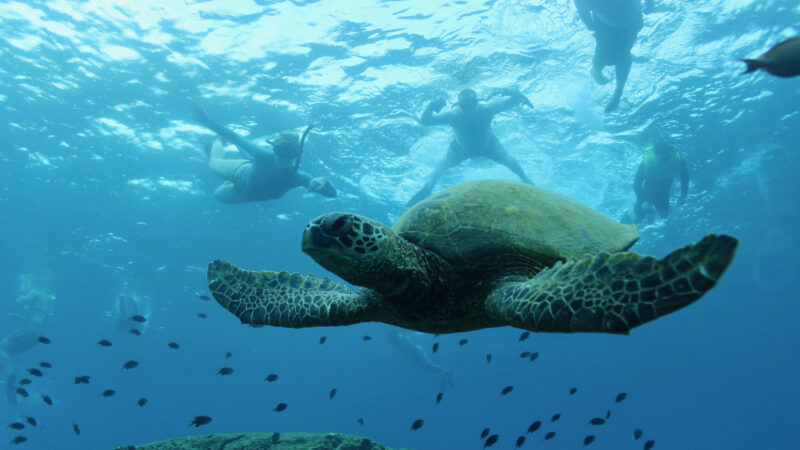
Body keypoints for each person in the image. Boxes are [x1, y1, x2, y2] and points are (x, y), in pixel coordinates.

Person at [191, 101, 337, 204]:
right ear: (274, 149)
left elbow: (332, 195)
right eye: (281, 150)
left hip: (247, 193)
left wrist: (324, 183)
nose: (283, 158)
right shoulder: (263, 155)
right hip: (238, 171)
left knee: (218, 195)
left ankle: (240, 168)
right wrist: (204, 120)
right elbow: (234, 137)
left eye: (289, 152)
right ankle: (217, 143)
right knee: (213, 163)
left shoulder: (300, 177)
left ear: (297, 154)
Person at [408, 88, 534, 206]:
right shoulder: (454, 115)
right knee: (438, 170)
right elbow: (425, 121)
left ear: (477, 102)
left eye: (471, 103)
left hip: (489, 145)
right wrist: (431, 105)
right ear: (459, 105)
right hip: (461, 149)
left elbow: (516, 100)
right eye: (465, 105)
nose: (468, 108)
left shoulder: (487, 109)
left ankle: (526, 180)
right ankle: (428, 187)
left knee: (510, 161)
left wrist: (508, 91)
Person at [574, 0, 654, 112]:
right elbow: (581, 8)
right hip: (609, 26)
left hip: (628, 24)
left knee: (622, 54)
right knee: (607, 58)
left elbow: (582, 9)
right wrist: (590, 24)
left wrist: (650, 4)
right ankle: (596, 72)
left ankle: (617, 92)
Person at [1, 275, 55, 406]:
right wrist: (18, 317)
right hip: (37, 335)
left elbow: (19, 302)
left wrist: (21, 297)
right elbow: (36, 316)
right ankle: (8, 373)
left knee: (2, 347)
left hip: (30, 330)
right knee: (8, 352)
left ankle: (9, 375)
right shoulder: (45, 299)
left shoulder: (35, 292)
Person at [627, 135, 689, 223]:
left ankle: (649, 210)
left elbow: (685, 177)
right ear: (656, 153)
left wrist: (683, 195)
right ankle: (630, 207)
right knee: (636, 220)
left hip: (664, 191)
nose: (666, 157)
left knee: (664, 215)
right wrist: (643, 200)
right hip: (647, 192)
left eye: (669, 153)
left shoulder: (677, 159)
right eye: (663, 155)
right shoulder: (647, 162)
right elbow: (636, 184)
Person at [386, 330, 454, 392]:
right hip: (415, 354)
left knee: (427, 366)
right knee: (426, 367)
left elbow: (409, 346)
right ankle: (444, 373)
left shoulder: (401, 338)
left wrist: (412, 357)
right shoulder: (399, 341)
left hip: (417, 353)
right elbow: (404, 351)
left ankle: (446, 372)